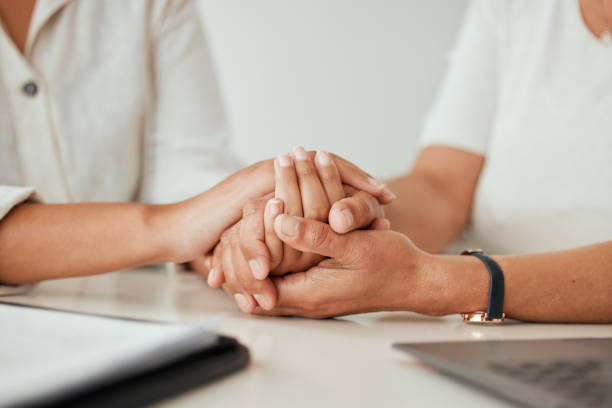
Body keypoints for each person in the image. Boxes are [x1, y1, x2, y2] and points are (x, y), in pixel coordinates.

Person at [210, 0, 612, 323]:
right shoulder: (514, 9)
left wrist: (434, 283)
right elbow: (442, 188)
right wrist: (331, 220)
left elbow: (430, 276)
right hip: (500, 344)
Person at [0, 1, 393, 291]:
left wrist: (247, 240)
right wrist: (175, 227)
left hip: (133, 318)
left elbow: (187, 173)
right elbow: (192, 214)